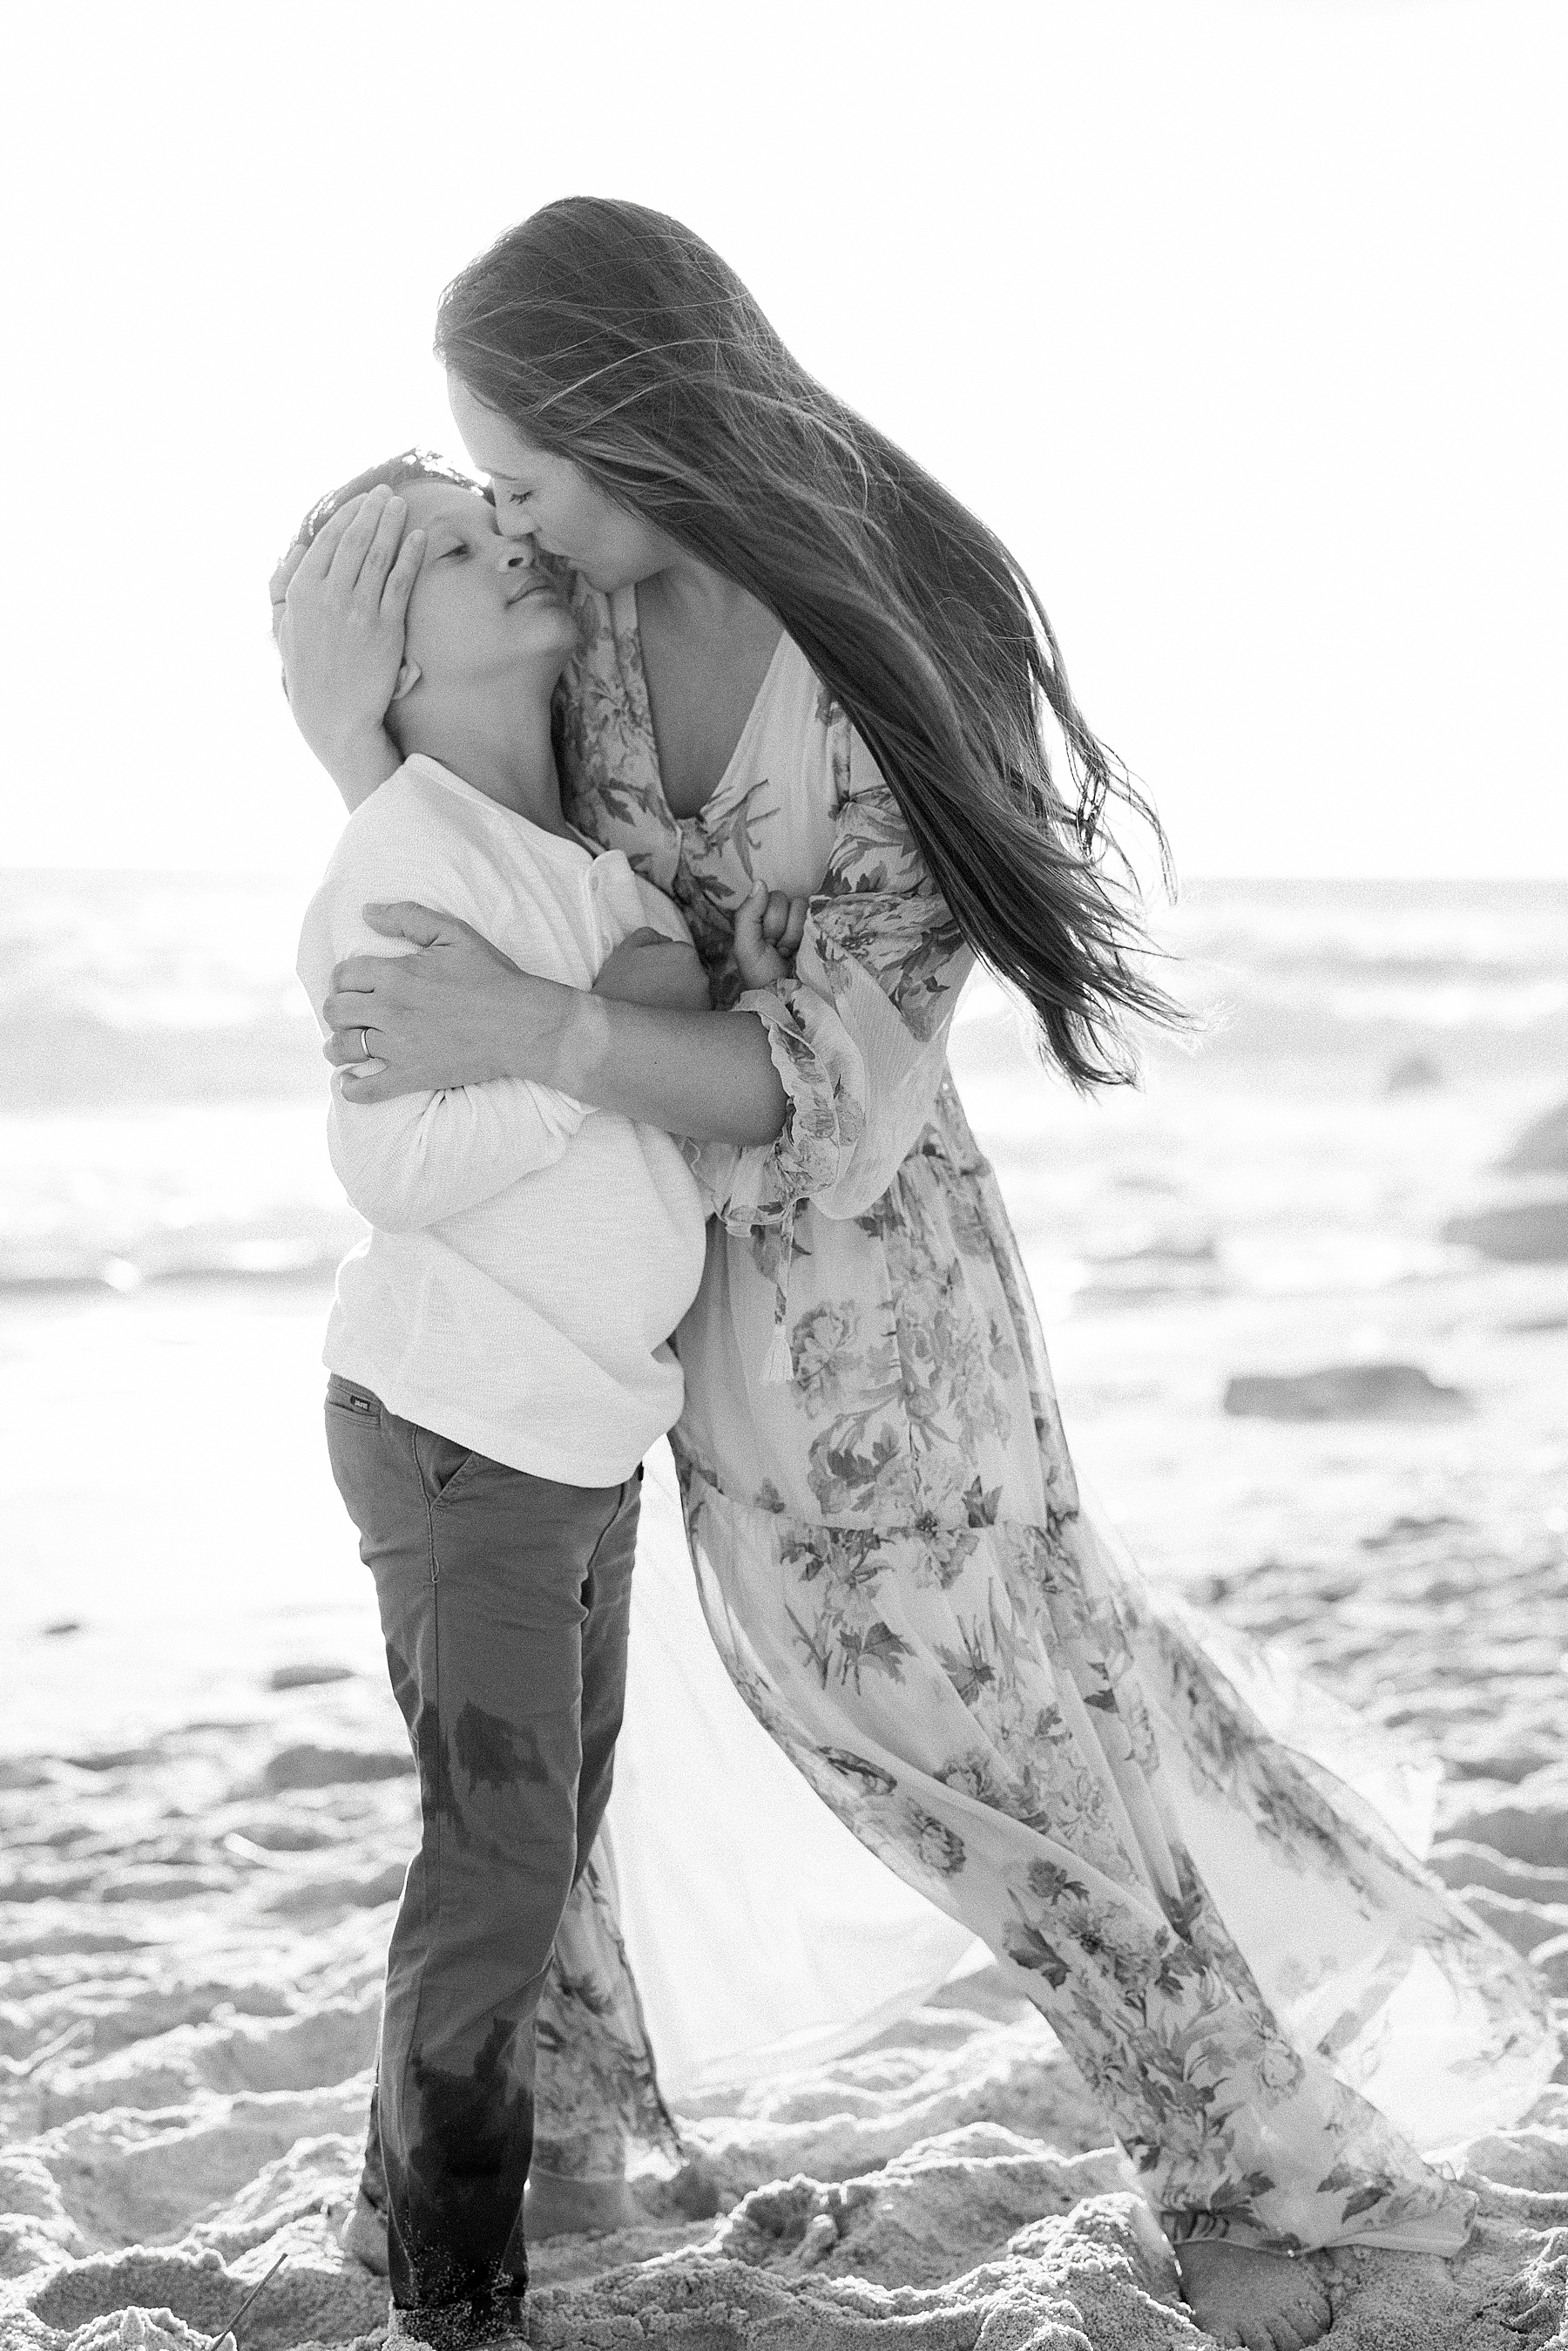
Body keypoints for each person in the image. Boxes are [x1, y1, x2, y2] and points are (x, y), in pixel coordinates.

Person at [274, 201, 1557, 2351]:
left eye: (522, 470)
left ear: (634, 415)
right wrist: (355, 760)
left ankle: (1281, 2189)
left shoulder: (900, 622)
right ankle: (545, 2174)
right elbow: (496, 863)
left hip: (869, 1318)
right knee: (567, 1764)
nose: (508, 514)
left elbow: (850, 1060)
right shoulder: (572, 622)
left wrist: (548, 1039)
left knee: (1001, 1752)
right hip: (608, 1292)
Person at [294, 450, 801, 2348]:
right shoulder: (403, 855)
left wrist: (587, 990)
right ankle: (456, 2289)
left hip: (578, 1431)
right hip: (460, 1430)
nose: (502, 536)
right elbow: (393, 1159)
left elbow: (634, 992)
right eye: (444, 546)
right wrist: (585, 1032)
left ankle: (388, 2201)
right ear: (385, 665)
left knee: (532, 1838)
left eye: (490, 514)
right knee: (500, 1858)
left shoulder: (569, 865)